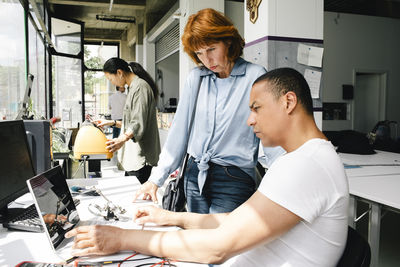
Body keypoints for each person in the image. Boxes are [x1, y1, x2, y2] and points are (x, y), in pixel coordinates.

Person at [66, 68, 349, 266]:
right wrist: (171, 218)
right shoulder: (302, 159)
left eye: (256, 108)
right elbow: (236, 220)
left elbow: (217, 248)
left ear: (288, 102)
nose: (249, 120)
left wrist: (122, 238)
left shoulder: (306, 166)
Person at [133, 8, 284, 213]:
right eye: (199, 53)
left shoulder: (255, 76)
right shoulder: (196, 78)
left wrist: (284, 180)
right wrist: (155, 180)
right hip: (194, 174)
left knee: (220, 241)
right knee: (195, 237)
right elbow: (179, 132)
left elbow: (271, 133)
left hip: (234, 177)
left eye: (211, 49)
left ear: (228, 41)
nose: (207, 60)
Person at [95, 58, 161, 184]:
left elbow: (138, 123)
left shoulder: (140, 87)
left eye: (110, 79)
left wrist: (120, 140)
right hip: (133, 158)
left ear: (119, 72)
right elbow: (132, 122)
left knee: (137, 199)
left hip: (141, 158)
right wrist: (111, 123)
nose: (112, 82)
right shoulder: (133, 88)